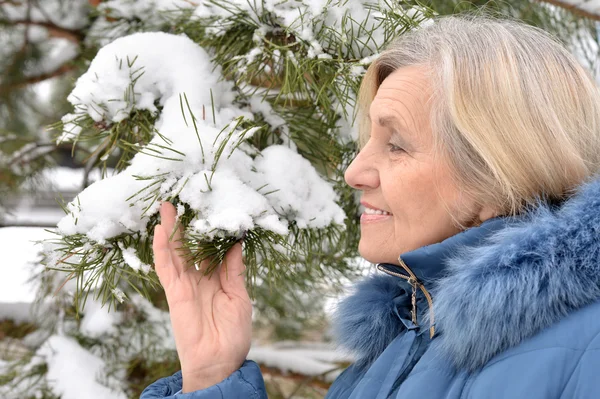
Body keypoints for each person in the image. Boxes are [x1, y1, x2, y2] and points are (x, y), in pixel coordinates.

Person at [140, 13, 600, 399]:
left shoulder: (590, 349)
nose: (354, 172)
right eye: (368, 141)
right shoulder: (398, 345)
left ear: (499, 175)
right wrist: (211, 374)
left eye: (396, 145)